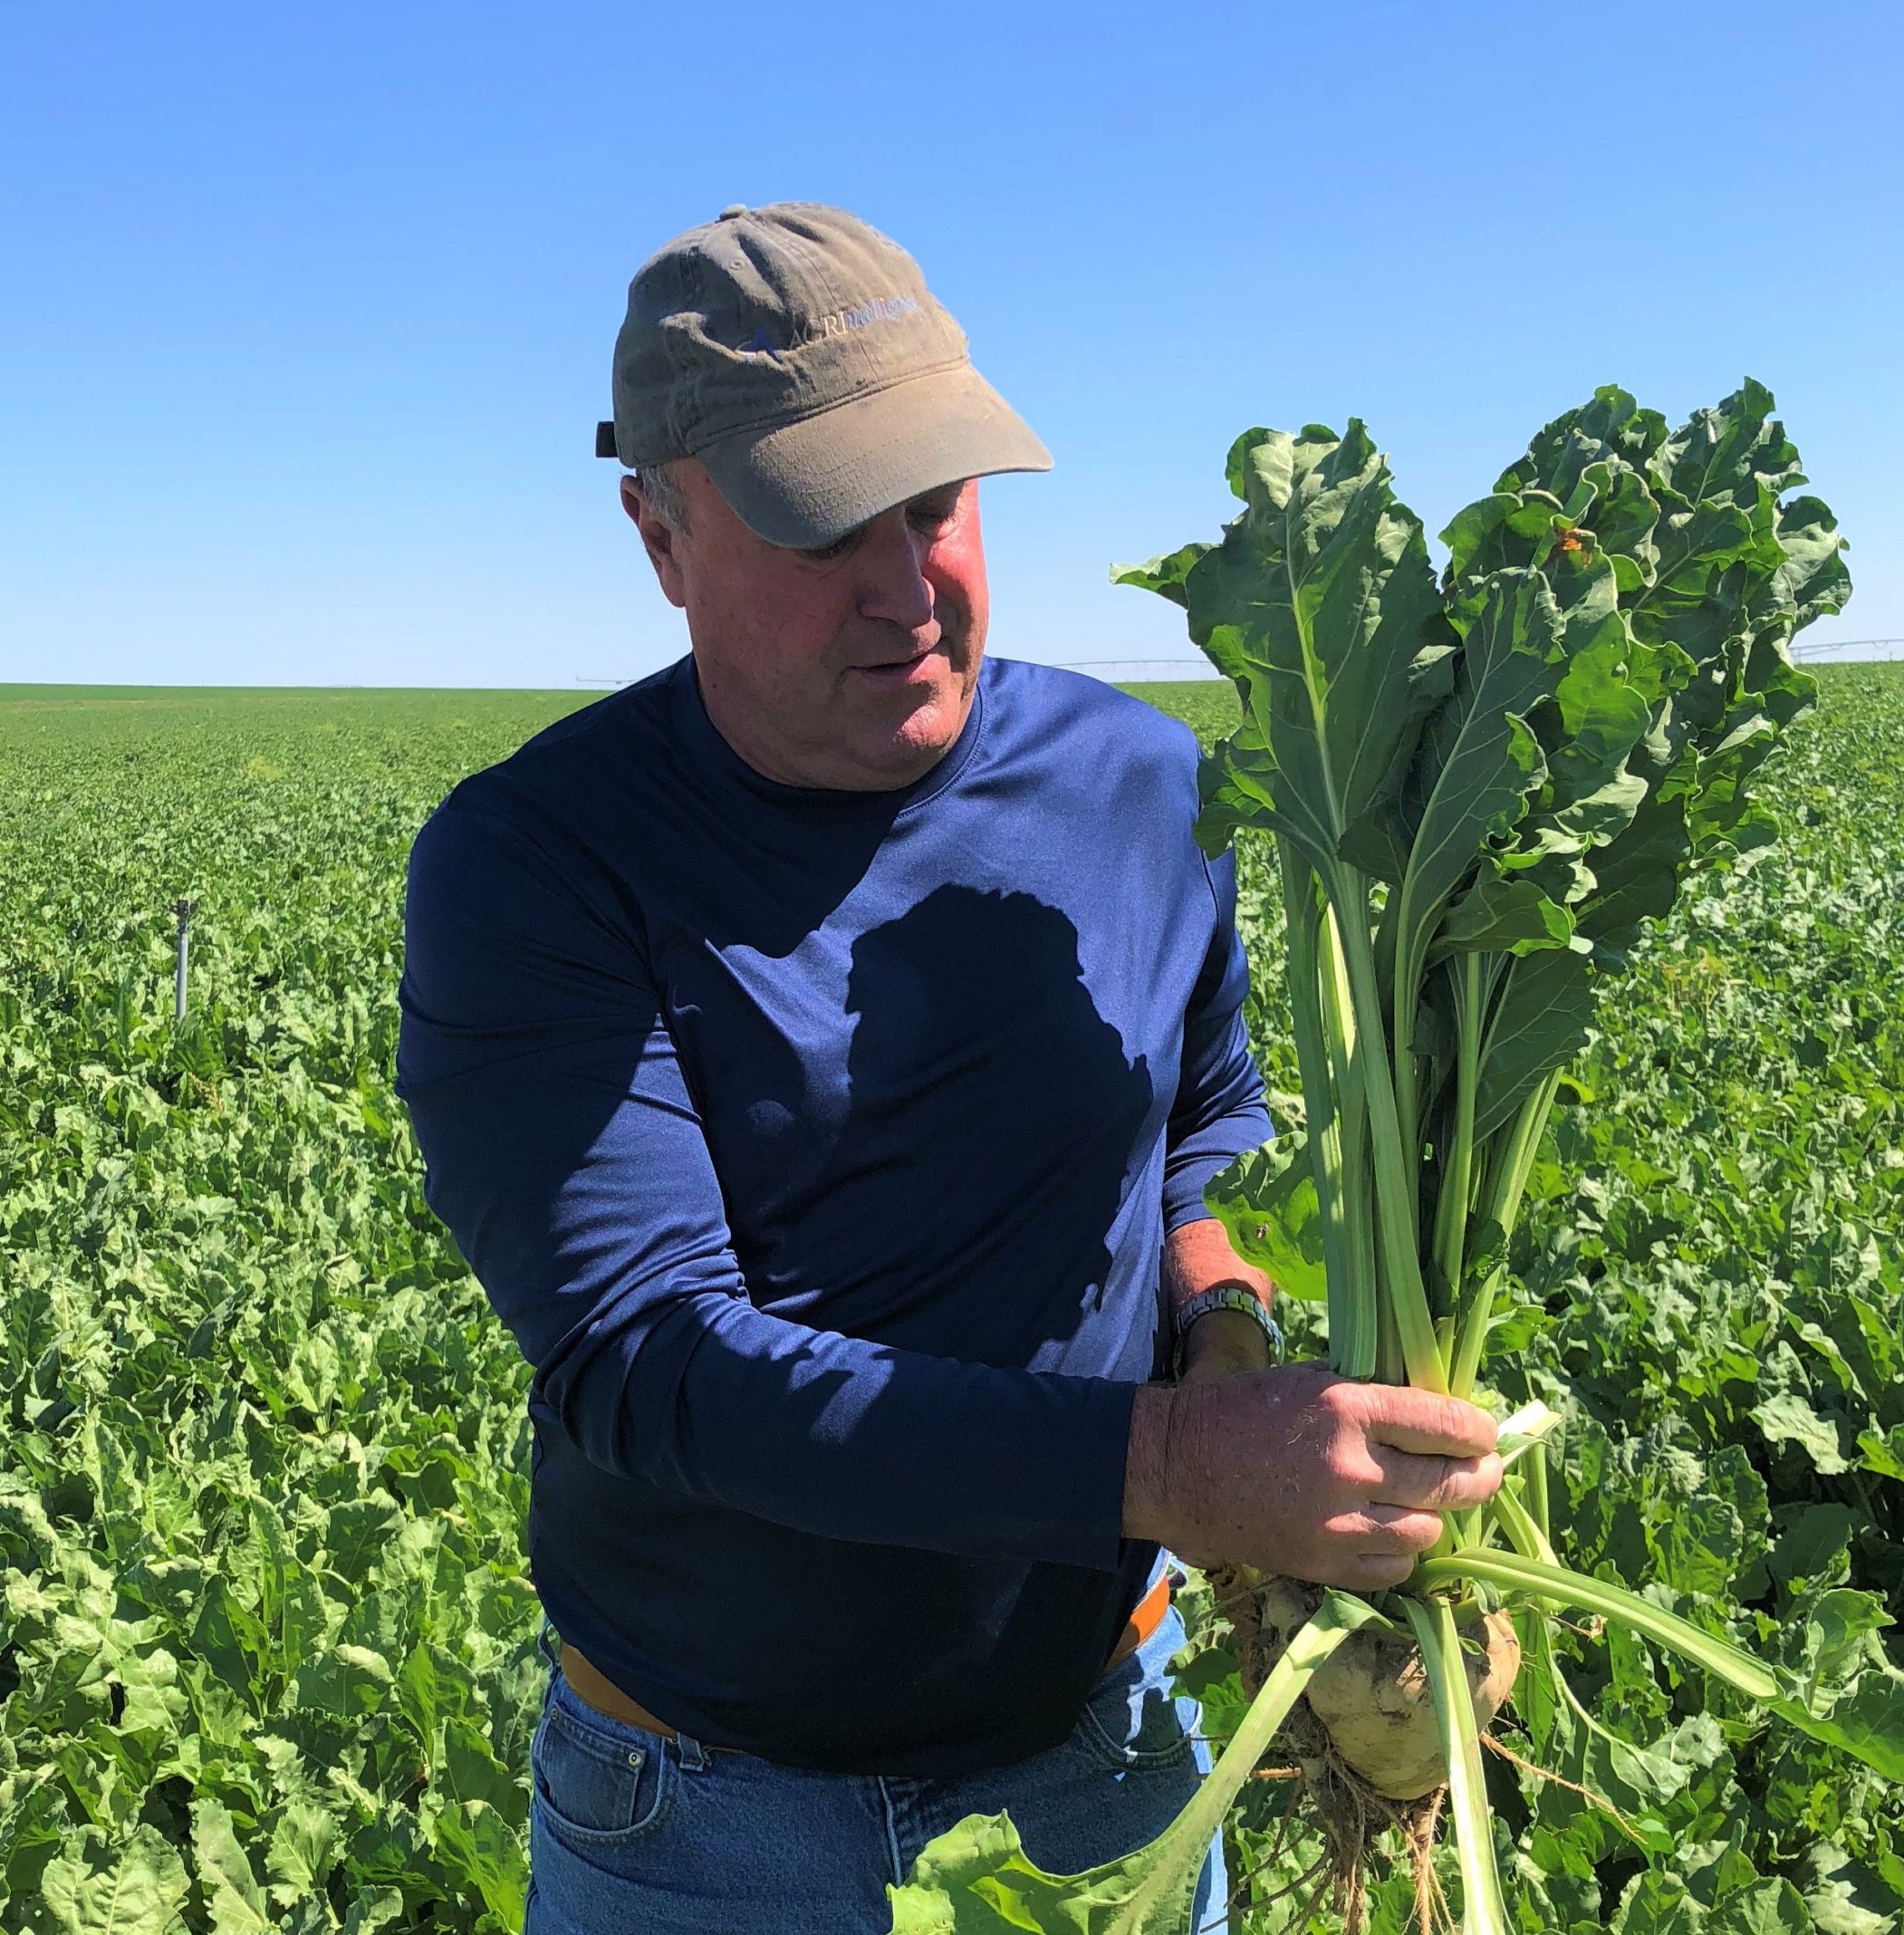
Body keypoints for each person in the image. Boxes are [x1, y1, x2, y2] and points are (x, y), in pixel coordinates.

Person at [395, 200, 1504, 1935]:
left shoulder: (1137, 785)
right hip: (708, 1824)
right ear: (660, 535)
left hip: (1100, 1763)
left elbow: (1197, 1140)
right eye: (829, 526)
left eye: (937, 506)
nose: (909, 587)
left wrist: (1236, 1353)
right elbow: (653, 1360)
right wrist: (1181, 1470)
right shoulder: (538, 862)